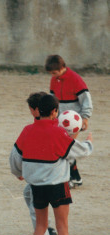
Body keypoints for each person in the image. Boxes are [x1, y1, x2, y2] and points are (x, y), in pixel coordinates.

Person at [10, 94, 93, 235]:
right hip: (58, 186)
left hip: (36, 186)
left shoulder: (27, 131)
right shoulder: (58, 133)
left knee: (40, 227)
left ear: (37, 111)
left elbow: (15, 158)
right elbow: (80, 151)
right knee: (62, 227)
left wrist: (19, 172)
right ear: (55, 112)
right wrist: (88, 142)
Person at [45, 54, 93, 188]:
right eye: (51, 74)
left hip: (74, 121)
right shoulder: (54, 79)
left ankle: (72, 178)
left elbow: (86, 99)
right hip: (60, 119)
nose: (53, 76)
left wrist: (85, 117)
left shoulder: (75, 79)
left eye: (55, 73)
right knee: (63, 147)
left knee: (66, 147)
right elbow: (52, 98)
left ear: (62, 68)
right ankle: (75, 178)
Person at [22, 92, 57, 235]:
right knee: (27, 194)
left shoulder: (32, 130)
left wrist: (19, 172)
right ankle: (49, 232)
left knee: (38, 216)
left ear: (36, 110)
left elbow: (16, 154)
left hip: (41, 181)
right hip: (57, 180)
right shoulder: (57, 126)